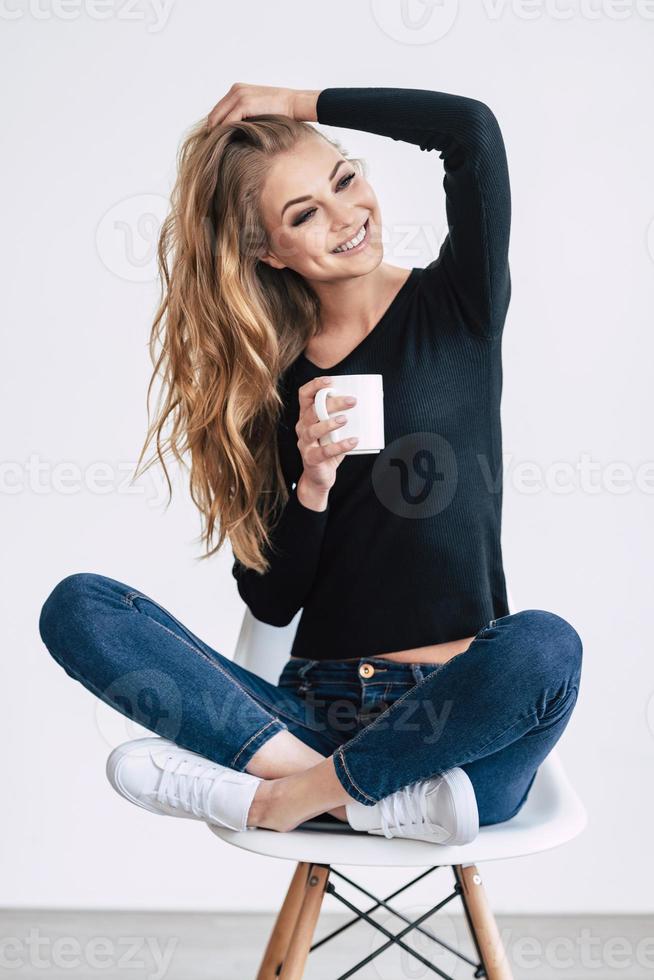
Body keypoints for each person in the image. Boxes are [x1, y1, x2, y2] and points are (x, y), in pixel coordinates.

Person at [38, 84, 583, 844]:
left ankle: (283, 800)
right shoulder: (270, 383)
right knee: (78, 606)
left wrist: (298, 101)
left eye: (344, 179)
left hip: (458, 733)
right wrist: (312, 485)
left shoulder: (460, 307)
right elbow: (271, 599)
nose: (346, 216)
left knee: (545, 645)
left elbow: (471, 131)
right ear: (268, 251)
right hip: (315, 714)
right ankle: (343, 796)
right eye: (304, 215)